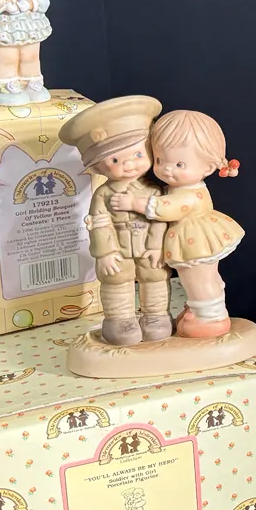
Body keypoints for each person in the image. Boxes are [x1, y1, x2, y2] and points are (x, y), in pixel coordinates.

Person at [109, 110, 244, 337]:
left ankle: (211, 318)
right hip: (193, 239)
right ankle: (199, 310)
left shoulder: (189, 194)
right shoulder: (181, 187)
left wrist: (133, 202)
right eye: (160, 160)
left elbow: (166, 207)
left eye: (180, 164)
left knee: (198, 281)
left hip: (195, 241)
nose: (167, 169)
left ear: (207, 167)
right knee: (202, 278)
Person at [60, 96, 172, 346]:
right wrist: (105, 253)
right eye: (115, 160)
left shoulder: (153, 190)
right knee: (116, 280)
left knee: (155, 277)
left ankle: (156, 315)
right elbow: (99, 223)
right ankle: (120, 320)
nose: (129, 164)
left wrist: (157, 247)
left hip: (148, 246)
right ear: (97, 167)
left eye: (138, 154)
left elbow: (159, 220)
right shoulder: (103, 194)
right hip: (117, 248)